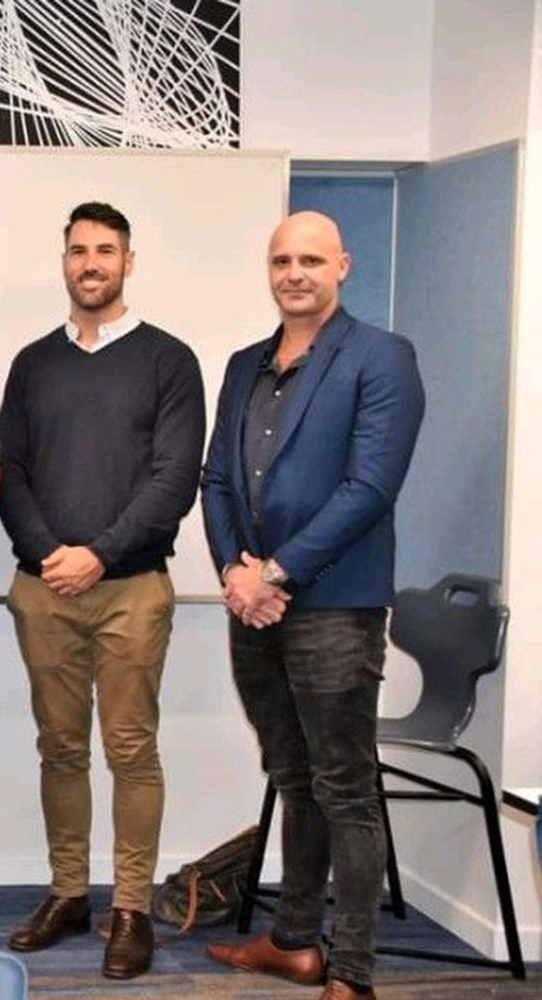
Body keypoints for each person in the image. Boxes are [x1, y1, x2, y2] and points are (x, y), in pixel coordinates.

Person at [202, 211, 424, 1000]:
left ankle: (353, 974)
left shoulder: (380, 358)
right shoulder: (243, 365)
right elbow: (218, 480)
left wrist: (278, 574)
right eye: (281, 260)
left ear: (343, 266)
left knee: (345, 788)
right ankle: (295, 942)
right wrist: (234, 570)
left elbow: (369, 487)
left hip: (336, 606)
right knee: (292, 776)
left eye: (310, 260)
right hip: (252, 602)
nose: (294, 273)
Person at [0, 202, 204, 980]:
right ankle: (69, 892)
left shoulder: (168, 360)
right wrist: (53, 553)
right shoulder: (32, 362)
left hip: (132, 590)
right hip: (43, 587)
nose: (91, 263)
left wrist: (99, 554)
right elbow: (8, 470)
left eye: (105, 251)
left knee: (130, 749)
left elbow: (174, 479)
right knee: (60, 747)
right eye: (78, 250)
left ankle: (132, 908)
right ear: (64, 262)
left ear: (128, 262)